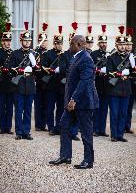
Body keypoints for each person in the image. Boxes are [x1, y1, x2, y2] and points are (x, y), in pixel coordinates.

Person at [49, 35, 99, 169]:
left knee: (86, 131)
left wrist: (73, 99)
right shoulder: (75, 57)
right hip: (72, 103)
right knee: (64, 124)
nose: (69, 46)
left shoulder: (86, 59)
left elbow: (85, 81)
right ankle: (65, 156)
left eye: (71, 44)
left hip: (83, 102)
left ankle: (88, 161)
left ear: (79, 44)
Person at [106, 26, 134, 142]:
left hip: (126, 89)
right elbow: (109, 73)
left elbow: (133, 73)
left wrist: (132, 68)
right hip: (114, 89)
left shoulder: (130, 57)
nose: (123, 46)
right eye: (120, 44)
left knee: (123, 113)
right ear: (116, 45)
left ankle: (120, 134)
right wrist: (120, 73)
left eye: (124, 44)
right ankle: (114, 135)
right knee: (115, 113)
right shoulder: (111, 58)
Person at [9, 22, 36, 140]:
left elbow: (38, 71)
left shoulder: (33, 53)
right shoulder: (15, 53)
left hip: (30, 85)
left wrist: (34, 64)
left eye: (29, 41)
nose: (27, 42)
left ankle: (26, 131)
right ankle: (19, 132)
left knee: (28, 110)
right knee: (19, 110)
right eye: (25, 40)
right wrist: (22, 70)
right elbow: (11, 69)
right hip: (19, 85)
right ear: (21, 41)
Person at [42, 26, 65, 135]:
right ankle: (51, 127)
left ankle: (59, 127)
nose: (59, 45)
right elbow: (44, 68)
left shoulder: (65, 55)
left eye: (60, 43)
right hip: (51, 85)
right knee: (50, 108)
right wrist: (52, 70)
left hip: (61, 86)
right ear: (54, 43)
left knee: (60, 108)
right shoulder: (48, 54)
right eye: (57, 43)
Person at [90, 25, 109, 137]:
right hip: (97, 84)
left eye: (105, 42)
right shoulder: (94, 54)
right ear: (98, 43)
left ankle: (102, 129)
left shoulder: (108, 55)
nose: (103, 44)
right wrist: (98, 70)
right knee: (96, 108)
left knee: (104, 109)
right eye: (101, 42)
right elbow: (91, 68)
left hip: (106, 85)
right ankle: (95, 129)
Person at [0, 23, 15, 134]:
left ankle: (8, 127)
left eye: (9, 40)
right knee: (1, 106)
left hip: (11, 83)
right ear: (2, 42)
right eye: (6, 40)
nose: (8, 42)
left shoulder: (13, 53)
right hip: (1, 83)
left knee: (10, 107)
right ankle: (1, 127)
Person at [34, 23, 48, 131]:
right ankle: (38, 125)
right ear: (39, 41)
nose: (44, 43)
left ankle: (44, 124)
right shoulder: (35, 52)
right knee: (38, 104)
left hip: (47, 82)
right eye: (42, 41)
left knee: (46, 104)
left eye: (45, 41)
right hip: (38, 81)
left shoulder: (49, 53)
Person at [125, 28, 135, 134]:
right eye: (127, 44)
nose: (128, 47)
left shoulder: (133, 56)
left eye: (130, 45)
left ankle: (127, 125)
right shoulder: (123, 56)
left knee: (130, 106)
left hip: (133, 83)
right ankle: (122, 125)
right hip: (125, 82)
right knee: (125, 105)